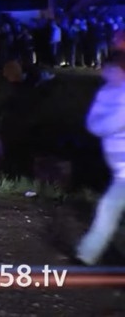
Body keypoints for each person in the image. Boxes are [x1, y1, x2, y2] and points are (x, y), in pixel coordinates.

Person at [75, 48, 125, 265]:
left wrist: (109, 124)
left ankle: (87, 255)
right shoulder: (105, 93)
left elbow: (109, 123)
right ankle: (87, 255)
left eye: (113, 68)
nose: (107, 71)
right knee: (108, 208)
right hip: (120, 170)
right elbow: (94, 124)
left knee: (108, 207)